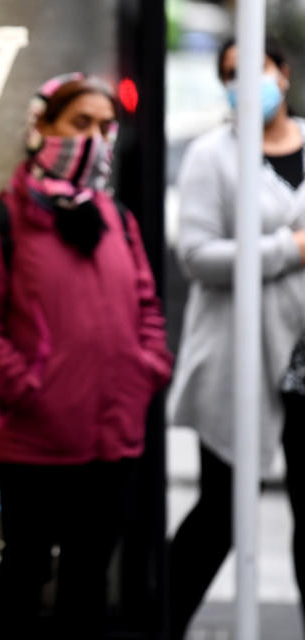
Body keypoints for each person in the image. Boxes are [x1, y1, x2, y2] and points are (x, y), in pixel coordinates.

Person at [0, 73, 172, 639]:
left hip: (112, 436)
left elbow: (148, 307)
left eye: (105, 126)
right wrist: (28, 391)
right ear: (41, 127)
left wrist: (146, 371)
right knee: (23, 577)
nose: (96, 138)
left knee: (90, 583)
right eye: (80, 124)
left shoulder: (118, 220)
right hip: (32, 443)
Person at [167, 37, 305, 639]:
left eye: (256, 70)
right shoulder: (211, 156)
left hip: (301, 362)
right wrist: (291, 248)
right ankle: (162, 624)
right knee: (221, 512)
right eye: (229, 73)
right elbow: (197, 255)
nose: (244, 83)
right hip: (238, 359)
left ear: (284, 74)